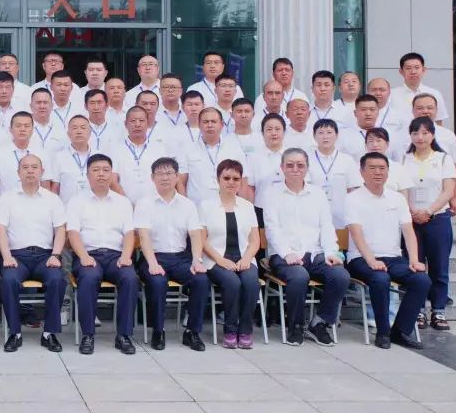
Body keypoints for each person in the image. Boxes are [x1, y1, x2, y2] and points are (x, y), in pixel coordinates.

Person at [261, 148, 350, 347]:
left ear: (307, 168)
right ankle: (296, 326)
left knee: (340, 276)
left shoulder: (317, 194)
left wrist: (331, 252)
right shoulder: (272, 194)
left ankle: (319, 323)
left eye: (300, 165)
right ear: (282, 167)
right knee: (299, 276)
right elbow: (272, 229)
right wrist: (287, 253)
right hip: (283, 255)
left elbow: (326, 226)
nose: (295, 169)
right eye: (290, 165)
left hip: (315, 253)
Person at [345, 153, 431, 349]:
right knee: (380, 278)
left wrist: (414, 259)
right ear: (362, 172)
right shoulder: (352, 199)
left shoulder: (397, 198)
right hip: (361, 258)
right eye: (372, 168)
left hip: (393, 258)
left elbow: (408, 231)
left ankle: (400, 330)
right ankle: (383, 332)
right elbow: (356, 234)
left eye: (382, 168)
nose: (378, 172)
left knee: (421, 280)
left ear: (388, 172)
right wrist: (371, 260)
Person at [66, 154, 140, 355]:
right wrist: (83, 256)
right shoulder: (76, 201)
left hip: (116, 256)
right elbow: (73, 233)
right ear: (87, 174)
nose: (101, 174)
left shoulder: (122, 202)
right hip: (88, 255)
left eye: (106, 170)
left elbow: (129, 233)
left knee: (130, 278)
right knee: (89, 277)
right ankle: (88, 334)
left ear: (112, 174)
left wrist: (126, 256)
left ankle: (124, 335)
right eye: (96, 170)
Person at [0, 153, 68, 353]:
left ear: (42, 171)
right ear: (18, 172)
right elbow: (0, 229)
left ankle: (49, 333)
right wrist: (7, 256)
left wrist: (56, 255)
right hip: (16, 256)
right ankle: (15, 333)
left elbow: (60, 229)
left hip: (45, 256)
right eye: (25, 167)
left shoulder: (52, 199)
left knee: (57, 280)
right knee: (8, 280)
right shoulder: (7, 198)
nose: (30, 171)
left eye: (34, 167)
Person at [135, 157, 209, 351]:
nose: (165, 177)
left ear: (177, 177)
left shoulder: (188, 205)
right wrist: (152, 263)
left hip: (180, 258)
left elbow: (195, 235)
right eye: (160, 173)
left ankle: (192, 332)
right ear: (152, 178)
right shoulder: (144, 203)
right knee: (157, 282)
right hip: (153, 257)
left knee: (201, 279)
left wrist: (197, 260)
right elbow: (143, 236)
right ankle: (158, 331)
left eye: (169, 173)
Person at [402, 116, 456, 331]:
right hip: (411, 219)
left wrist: (429, 211)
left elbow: (448, 191)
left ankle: (438, 310)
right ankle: (418, 310)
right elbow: (402, 189)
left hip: (437, 219)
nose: (420, 137)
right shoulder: (405, 159)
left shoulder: (443, 159)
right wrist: (411, 210)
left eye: (425, 133)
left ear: (432, 135)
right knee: (415, 265)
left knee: (439, 267)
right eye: (415, 133)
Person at [199, 159, 261, 349]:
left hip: (244, 257)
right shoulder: (206, 206)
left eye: (236, 178)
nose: (231, 182)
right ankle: (230, 330)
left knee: (251, 282)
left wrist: (247, 259)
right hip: (215, 259)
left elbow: (255, 241)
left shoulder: (247, 206)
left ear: (241, 181)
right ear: (218, 179)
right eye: (226, 178)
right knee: (232, 282)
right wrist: (220, 260)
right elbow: (202, 240)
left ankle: (245, 330)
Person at [180, 107, 247, 205]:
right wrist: (186, 206)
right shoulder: (188, 149)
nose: (210, 125)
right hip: (197, 208)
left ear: (222, 125)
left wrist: (241, 206)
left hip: (228, 207)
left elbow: (243, 181)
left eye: (214, 122)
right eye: (206, 122)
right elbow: (181, 182)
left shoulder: (234, 148)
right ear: (199, 125)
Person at [412, 93, 456, 214]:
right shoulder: (404, 135)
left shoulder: (448, 135)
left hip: (441, 203)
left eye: (430, 108)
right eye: (420, 108)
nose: (425, 111)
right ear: (413, 110)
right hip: (411, 204)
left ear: (436, 110)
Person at [308, 119, 363, 228]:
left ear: (337, 135)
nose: (325, 137)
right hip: (313, 216)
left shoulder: (347, 160)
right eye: (321, 133)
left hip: (342, 217)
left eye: (329, 132)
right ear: (314, 136)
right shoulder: (306, 160)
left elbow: (353, 190)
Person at [0, 112, 48, 210]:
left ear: (33, 130)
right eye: (18, 126)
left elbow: (45, 185)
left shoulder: (41, 153)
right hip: (7, 208)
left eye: (26, 126)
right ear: (10, 129)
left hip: (36, 208)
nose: (22, 129)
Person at [113, 106, 165, 205]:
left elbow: (165, 178)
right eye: (133, 121)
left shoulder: (160, 148)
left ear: (147, 123)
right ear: (125, 124)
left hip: (155, 205)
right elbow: (113, 180)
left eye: (141, 120)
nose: (137, 124)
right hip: (124, 206)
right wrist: (126, 204)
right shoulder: (115, 149)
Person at [244, 113, 288, 219]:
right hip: (261, 210)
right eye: (269, 129)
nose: (273, 133)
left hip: (288, 210)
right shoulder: (253, 158)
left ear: (284, 132)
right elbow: (250, 188)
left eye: (277, 129)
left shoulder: (293, 155)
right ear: (262, 133)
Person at [49, 115, 96, 205]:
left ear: (90, 132)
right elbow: (55, 189)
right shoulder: (59, 157)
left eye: (83, 128)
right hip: (67, 209)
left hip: (93, 209)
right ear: (68, 133)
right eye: (74, 128)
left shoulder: (98, 156)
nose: (79, 131)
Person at [392, 52, 450, 123]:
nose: (413, 72)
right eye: (408, 68)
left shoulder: (435, 94)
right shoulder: (391, 95)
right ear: (401, 71)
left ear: (423, 70)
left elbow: (438, 121)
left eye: (417, 68)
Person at [365, 127, 413, 195]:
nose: (375, 144)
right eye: (371, 141)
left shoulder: (398, 168)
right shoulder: (358, 168)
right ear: (366, 145)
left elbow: (404, 196)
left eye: (379, 140)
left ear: (387, 144)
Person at [29, 88, 68, 155]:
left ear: (52, 106)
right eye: (38, 102)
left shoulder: (60, 128)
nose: (42, 106)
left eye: (45, 102)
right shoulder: (23, 127)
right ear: (31, 106)